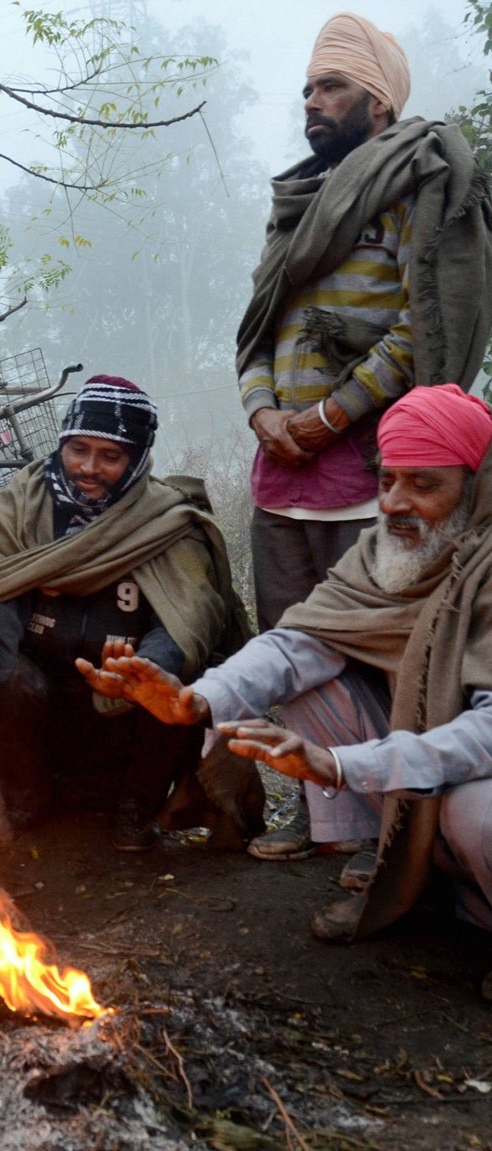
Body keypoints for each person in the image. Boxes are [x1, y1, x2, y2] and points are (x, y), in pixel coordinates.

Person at [80, 384, 492, 1001]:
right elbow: (299, 643)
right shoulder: (385, 552)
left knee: (474, 813)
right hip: (423, 757)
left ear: (478, 485)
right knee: (311, 691)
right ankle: (399, 873)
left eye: (425, 485)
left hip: (478, 766)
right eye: (387, 481)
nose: (396, 504)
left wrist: (341, 765)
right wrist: (199, 699)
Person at [236, 12, 492, 861]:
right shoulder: (294, 201)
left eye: (333, 86)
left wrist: (331, 415)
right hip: (284, 469)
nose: (314, 101)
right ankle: (323, 822)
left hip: (374, 468)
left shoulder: (416, 185)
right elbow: (262, 326)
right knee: (296, 640)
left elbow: (420, 325)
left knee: (391, 649)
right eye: (308, 87)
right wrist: (265, 413)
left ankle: (401, 834)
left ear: (378, 103)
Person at [0, 376, 264, 851]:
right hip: (37, 714)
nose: (89, 468)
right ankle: (24, 801)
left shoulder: (170, 523)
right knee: (1, 678)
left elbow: (190, 621)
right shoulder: (15, 512)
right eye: (78, 450)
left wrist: (145, 671)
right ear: (63, 444)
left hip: (125, 724)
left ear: (137, 458)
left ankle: (136, 810)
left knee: (180, 687)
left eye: (110, 456)